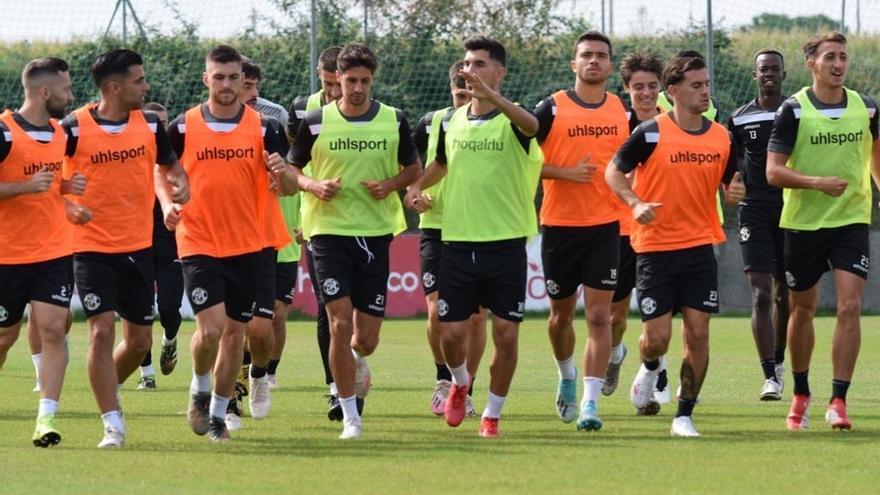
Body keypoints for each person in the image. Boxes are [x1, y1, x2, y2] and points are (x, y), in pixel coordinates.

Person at [406, 36, 543, 438]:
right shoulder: (453, 120)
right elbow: (440, 164)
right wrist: (415, 188)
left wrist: (492, 98)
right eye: (467, 63)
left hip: (505, 244)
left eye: (480, 64)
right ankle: (460, 383)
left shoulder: (516, 121)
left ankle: (492, 414)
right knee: (450, 333)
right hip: (457, 242)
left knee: (506, 333)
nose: (471, 70)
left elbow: (533, 126)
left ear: (499, 72)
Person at [606, 53, 743, 437]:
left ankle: (684, 414)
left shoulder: (722, 137)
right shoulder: (650, 133)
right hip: (653, 249)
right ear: (674, 91)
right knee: (657, 339)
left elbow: (732, 184)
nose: (704, 92)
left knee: (698, 333)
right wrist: (634, 203)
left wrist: (735, 191)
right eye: (696, 85)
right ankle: (649, 368)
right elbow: (613, 171)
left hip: (701, 248)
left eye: (707, 85)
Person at [290, 43, 420, 439]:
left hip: (375, 233)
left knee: (366, 339)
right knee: (338, 321)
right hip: (327, 233)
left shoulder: (394, 120)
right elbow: (292, 169)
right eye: (350, 81)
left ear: (372, 80)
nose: (357, 88)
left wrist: (391, 185)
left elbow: (413, 167)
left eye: (364, 81)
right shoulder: (315, 121)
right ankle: (350, 415)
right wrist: (313, 184)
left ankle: (356, 363)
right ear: (337, 81)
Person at [165, 44, 292, 443]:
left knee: (236, 334)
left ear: (243, 81)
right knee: (211, 329)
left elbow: (287, 186)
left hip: (249, 244)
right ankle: (199, 387)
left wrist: (280, 172)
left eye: (233, 77)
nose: (225, 84)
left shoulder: (266, 128)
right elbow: (161, 170)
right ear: (206, 79)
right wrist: (169, 202)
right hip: (198, 239)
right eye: (217, 77)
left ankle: (218, 415)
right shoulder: (183, 127)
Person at [62, 49, 189, 448]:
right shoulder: (73, 129)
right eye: (139, 80)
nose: (146, 86)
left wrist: (180, 182)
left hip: (139, 247)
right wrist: (68, 204)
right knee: (100, 331)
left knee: (138, 344)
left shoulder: (151, 124)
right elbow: (44, 177)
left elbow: (170, 165)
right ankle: (112, 421)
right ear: (115, 87)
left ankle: (107, 390)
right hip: (90, 247)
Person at [766, 32, 880, 431]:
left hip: (850, 220)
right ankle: (800, 393)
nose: (838, 64)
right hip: (803, 223)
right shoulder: (793, 111)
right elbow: (773, 171)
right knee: (802, 309)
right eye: (830, 57)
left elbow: (876, 156)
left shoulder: (865, 108)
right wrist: (817, 183)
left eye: (843, 57)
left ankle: (839, 400)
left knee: (850, 306)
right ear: (812, 63)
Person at [533, 31, 635, 431]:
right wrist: (565, 173)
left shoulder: (620, 111)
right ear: (573, 64)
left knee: (600, 317)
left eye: (601, 56)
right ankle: (567, 375)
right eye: (587, 55)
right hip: (559, 226)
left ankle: (591, 405)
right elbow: (522, 162)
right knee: (560, 319)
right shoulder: (551, 109)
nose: (594, 61)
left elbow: (632, 163)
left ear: (610, 66)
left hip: (605, 228)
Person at [0, 58, 83, 447]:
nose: (71, 95)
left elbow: (52, 184)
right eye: (66, 89)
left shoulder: (61, 134)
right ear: (45, 92)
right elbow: (31, 185)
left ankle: (45, 418)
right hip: (7, 256)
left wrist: (69, 190)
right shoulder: (3, 132)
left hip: (53, 251)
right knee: (4, 337)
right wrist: (22, 187)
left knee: (53, 329)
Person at [411, 60, 487, 418]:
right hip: (437, 225)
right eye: (459, 92)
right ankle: (444, 378)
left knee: (475, 318)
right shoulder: (430, 123)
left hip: (477, 227)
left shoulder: (495, 121)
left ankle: (466, 387)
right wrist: (414, 193)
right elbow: (409, 169)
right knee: (436, 310)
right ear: (450, 90)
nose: (463, 99)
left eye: (469, 91)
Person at [288, 46, 350, 420]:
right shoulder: (303, 111)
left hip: (366, 226)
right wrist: (301, 212)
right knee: (330, 311)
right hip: (318, 223)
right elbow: (295, 169)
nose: (333, 93)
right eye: (327, 84)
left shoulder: (374, 114)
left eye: (337, 84)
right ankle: (335, 389)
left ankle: (355, 364)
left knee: (357, 319)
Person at [606, 51, 670, 408]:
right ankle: (615, 354)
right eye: (638, 87)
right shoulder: (616, 123)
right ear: (627, 88)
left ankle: (656, 376)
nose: (646, 93)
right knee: (615, 316)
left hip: (659, 232)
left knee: (655, 312)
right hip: (617, 230)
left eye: (652, 86)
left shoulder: (674, 123)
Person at [727, 49, 789, 401]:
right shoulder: (739, 119)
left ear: (783, 72)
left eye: (774, 69)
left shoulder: (796, 111)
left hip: (793, 209)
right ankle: (769, 375)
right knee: (761, 293)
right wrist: (730, 187)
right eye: (763, 69)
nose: (769, 74)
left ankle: (780, 362)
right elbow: (728, 165)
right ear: (755, 75)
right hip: (754, 211)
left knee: (785, 293)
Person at [134, 102, 183, 391]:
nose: (160, 128)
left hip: (171, 243)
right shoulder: (134, 157)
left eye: (164, 122)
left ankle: (170, 340)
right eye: (156, 123)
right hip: (138, 242)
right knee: (141, 311)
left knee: (168, 309)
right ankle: (147, 373)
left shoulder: (176, 159)